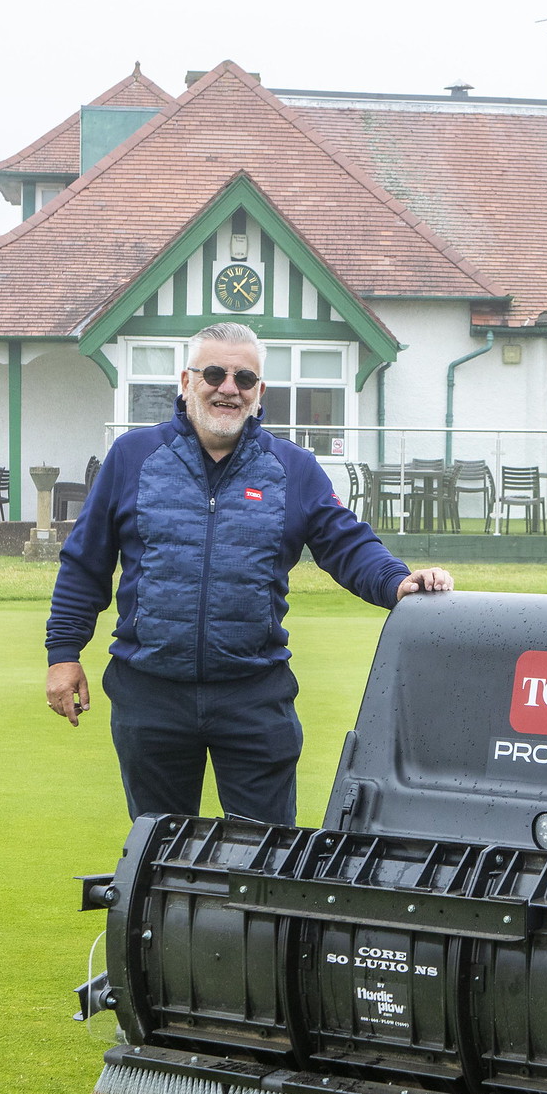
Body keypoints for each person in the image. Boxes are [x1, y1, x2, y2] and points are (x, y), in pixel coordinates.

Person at [44, 321, 452, 826]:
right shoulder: (133, 457)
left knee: (266, 861)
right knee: (159, 856)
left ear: (260, 393)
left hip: (254, 694)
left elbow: (346, 543)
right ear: (187, 381)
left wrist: (397, 581)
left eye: (244, 378)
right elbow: (85, 563)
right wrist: (63, 655)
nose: (228, 388)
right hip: (150, 693)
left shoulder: (293, 468)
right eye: (214, 373)